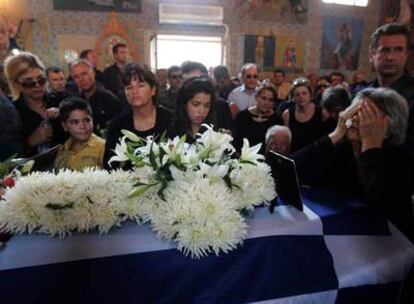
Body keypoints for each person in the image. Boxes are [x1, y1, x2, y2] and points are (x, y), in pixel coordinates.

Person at [290, 88, 413, 241]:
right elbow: (291, 171)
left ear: (387, 125)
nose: (354, 119)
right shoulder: (345, 149)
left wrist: (370, 145)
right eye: (353, 112)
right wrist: (335, 135)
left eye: (365, 115)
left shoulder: (403, 159)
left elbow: (384, 205)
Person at [103, 63, 171, 170]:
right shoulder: (117, 125)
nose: (134, 91)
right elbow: (110, 166)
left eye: (141, 86)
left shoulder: (171, 119)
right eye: (129, 87)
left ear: (153, 90)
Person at [4, 52, 67, 156]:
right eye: (29, 82)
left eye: (41, 80)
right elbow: (8, 155)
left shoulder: (61, 101)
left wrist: (65, 114)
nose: (37, 86)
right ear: (16, 84)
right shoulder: (12, 113)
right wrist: (30, 142)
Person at [368, 23, 414, 156]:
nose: (390, 57)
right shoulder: (362, 94)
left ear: (406, 55)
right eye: (385, 50)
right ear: (372, 55)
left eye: (398, 50)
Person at [70, 59, 123, 137]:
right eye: (76, 77)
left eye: (84, 74)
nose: (81, 79)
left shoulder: (110, 100)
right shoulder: (74, 102)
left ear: (93, 73)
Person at [54, 97, 105, 171]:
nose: (83, 126)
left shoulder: (103, 147)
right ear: (65, 126)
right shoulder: (62, 150)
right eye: (75, 122)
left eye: (87, 120)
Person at [234, 83, 282, 153]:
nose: (266, 102)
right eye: (263, 98)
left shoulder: (277, 120)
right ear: (256, 97)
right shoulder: (242, 116)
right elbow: (237, 142)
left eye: (270, 100)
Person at [282, 77, 326, 152]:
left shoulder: (322, 112)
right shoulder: (287, 114)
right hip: (295, 155)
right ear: (293, 98)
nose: (301, 97)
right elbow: (286, 141)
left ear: (310, 95)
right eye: (297, 94)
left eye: (304, 93)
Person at [170, 76, 216, 141]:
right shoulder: (170, 129)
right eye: (196, 104)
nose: (201, 111)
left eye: (207, 106)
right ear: (184, 103)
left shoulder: (215, 132)